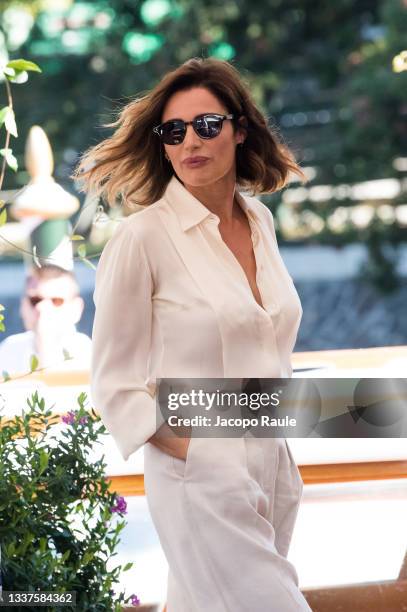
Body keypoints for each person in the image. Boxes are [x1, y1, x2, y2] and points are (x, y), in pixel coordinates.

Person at [74, 57, 312, 611]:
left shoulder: (259, 222)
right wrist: (199, 454)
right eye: (173, 131)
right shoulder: (141, 238)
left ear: (239, 129)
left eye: (206, 125)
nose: (189, 142)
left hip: (273, 464)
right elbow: (116, 383)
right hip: (197, 473)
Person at [0, 264, 92, 375]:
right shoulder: (9, 349)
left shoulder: (87, 352)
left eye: (56, 301)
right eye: (35, 300)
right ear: (23, 305)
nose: (42, 308)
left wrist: (45, 344)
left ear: (77, 308)